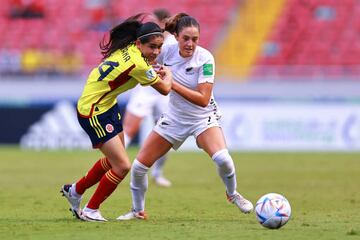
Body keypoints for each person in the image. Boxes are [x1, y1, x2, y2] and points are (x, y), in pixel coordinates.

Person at [117, 13, 253, 221]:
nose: (190, 44)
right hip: (174, 118)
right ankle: (137, 212)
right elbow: (145, 55)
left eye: (195, 39)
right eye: (186, 39)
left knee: (223, 159)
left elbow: (203, 99)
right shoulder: (167, 51)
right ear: (176, 37)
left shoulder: (206, 58)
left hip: (202, 118)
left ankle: (233, 194)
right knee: (138, 168)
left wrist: (171, 83)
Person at [60, 14, 172, 222]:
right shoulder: (139, 64)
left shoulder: (130, 48)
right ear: (139, 43)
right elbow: (165, 89)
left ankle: (74, 191)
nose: (156, 52)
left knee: (115, 162)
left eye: (159, 47)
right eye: (152, 47)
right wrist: (169, 73)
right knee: (122, 166)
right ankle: (91, 209)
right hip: (93, 110)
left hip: (107, 105)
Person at [123, 8, 177, 187]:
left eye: (154, 20)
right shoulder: (147, 40)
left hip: (163, 90)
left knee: (166, 133)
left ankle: (158, 173)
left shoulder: (170, 43)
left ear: (162, 22)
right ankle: (116, 165)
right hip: (145, 87)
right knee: (130, 128)